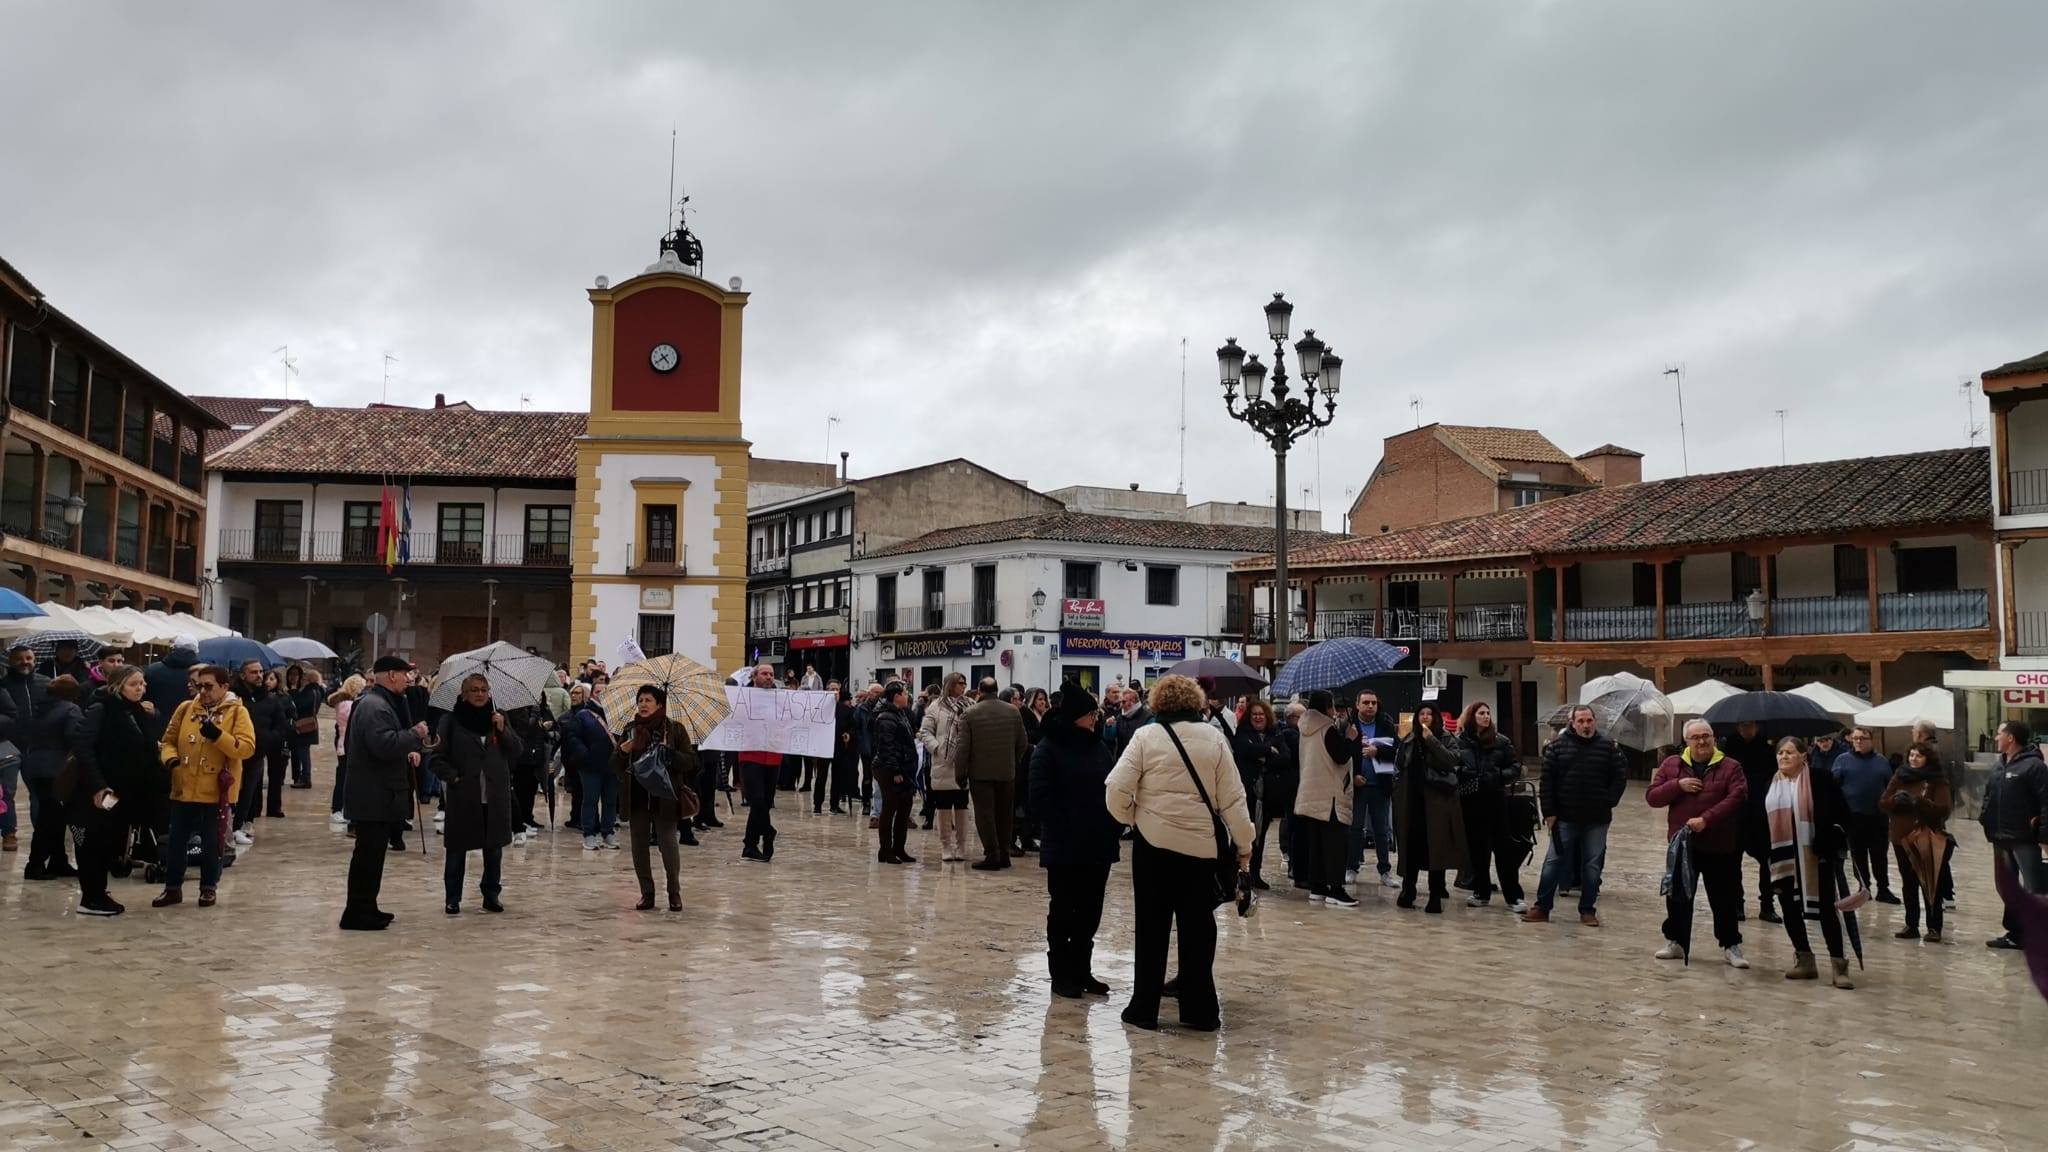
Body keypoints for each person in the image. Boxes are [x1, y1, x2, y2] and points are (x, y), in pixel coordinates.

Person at [1105, 675, 1254, 1032]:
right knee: (1198, 929)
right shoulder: (1214, 739)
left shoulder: (1145, 736)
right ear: (1196, 703)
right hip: (1200, 850)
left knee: (1151, 928)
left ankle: (1144, 1008)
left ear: (1157, 704)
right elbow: (1234, 799)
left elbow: (1115, 790)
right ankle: (1200, 1010)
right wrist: (1245, 845)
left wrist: (1136, 818)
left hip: (1153, 848)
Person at [1030, 683, 1120, 999]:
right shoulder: (1049, 747)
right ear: (1075, 717)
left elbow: (1113, 785)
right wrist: (1070, 817)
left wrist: (1113, 820)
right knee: (1064, 910)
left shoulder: (1098, 747)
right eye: (1090, 714)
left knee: (1090, 912)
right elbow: (1039, 796)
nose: (1095, 719)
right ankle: (1062, 974)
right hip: (1065, 844)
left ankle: (1082, 970)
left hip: (1098, 844)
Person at [1648, 719, 1752, 968]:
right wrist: (1677, 785)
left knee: (1723, 897)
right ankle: (1676, 941)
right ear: (1687, 741)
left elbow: (1737, 797)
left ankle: (1730, 945)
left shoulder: (1730, 766)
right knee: (1678, 895)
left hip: (1720, 843)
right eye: (1696, 737)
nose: (1702, 741)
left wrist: (1707, 819)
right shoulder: (1672, 764)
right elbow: (1652, 797)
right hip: (1683, 845)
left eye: (1706, 736)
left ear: (1714, 738)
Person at [153, 664, 256, 910]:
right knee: (177, 841)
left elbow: (246, 748)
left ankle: (208, 887)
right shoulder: (186, 709)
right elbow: (167, 741)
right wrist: (171, 760)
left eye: (209, 686)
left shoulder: (237, 712)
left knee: (212, 842)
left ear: (224, 687)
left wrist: (218, 736)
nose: (203, 691)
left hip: (216, 791)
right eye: (199, 686)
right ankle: (172, 888)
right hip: (184, 785)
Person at [339, 656, 428, 930]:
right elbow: (384, 745)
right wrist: (415, 734)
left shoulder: (378, 703)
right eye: (405, 675)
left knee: (372, 856)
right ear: (391, 675)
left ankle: (366, 907)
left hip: (377, 793)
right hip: (373, 795)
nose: (408, 680)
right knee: (368, 856)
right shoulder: (375, 706)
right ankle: (357, 913)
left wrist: (408, 749)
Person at [1764, 736, 1856, 988]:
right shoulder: (1770, 783)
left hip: (1816, 856)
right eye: (1780, 752)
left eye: (1790, 752)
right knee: (1789, 907)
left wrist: (1830, 839)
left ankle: (1839, 966)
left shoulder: (1820, 779)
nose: (1783, 756)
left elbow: (1843, 814)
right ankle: (1804, 960)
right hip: (1782, 857)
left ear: (1804, 755)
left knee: (1827, 908)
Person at [1525, 705, 1629, 926]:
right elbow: (1547, 783)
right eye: (1581, 721)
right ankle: (1542, 907)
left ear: (1595, 722)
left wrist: (1609, 800)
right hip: (1564, 817)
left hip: (1597, 818)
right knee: (1553, 862)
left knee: (1592, 865)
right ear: (1572, 723)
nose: (1586, 725)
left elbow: (1620, 777)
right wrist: (1549, 812)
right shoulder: (1556, 748)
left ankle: (1587, 909)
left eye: (1589, 720)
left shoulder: (1608, 748)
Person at [66, 666, 157, 915]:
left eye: (142, 684)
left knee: (108, 842)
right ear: (118, 686)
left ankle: (98, 892)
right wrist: (97, 786)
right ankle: (91, 898)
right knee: (93, 842)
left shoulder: (135, 711)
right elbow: (83, 748)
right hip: (96, 790)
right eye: (134, 684)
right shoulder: (101, 709)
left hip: (121, 790)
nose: (141, 688)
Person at [436, 673, 522, 915]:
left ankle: (491, 895)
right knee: (457, 849)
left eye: (484, 689)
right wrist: (453, 777)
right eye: (474, 689)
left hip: (494, 796)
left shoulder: (498, 717)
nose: (480, 694)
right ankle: (453, 897)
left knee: (493, 850)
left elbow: (516, 751)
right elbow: (437, 757)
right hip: (464, 795)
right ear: (464, 694)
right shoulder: (451, 720)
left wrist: (503, 730)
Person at [613, 685, 697, 911]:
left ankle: (674, 892)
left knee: (668, 846)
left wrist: (670, 754)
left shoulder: (675, 730)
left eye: (648, 700)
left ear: (660, 704)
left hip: (665, 798)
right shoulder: (630, 730)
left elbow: (690, 761)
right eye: (640, 700)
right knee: (639, 848)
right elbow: (615, 765)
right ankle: (647, 893)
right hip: (637, 797)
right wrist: (623, 751)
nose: (642, 704)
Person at [1982, 720, 2048, 952]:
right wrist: (1985, 819)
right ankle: (2016, 934)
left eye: (1999, 734)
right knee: (2006, 887)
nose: (1996, 738)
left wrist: (2043, 835)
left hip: (2024, 838)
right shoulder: (1999, 765)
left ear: (2010, 738)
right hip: (2000, 837)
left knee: (2034, 888)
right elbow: (1989, 796)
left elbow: (2045, 803)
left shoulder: (2034, 766)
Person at [1393, 703, 1465, 913]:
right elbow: (1400, 766)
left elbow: (1451, 760)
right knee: (1411, 847)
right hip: (1412, 802)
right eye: (1421, 714)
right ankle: (1408, 891)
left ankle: (1435, 895)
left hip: (1437, 804)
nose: (1425, 717)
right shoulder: (1408, 740)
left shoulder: (1445, 738)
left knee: (1437, 849)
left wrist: (1431, 740)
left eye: (1429, 714)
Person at [1454, 701, 1525, 912]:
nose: (1486, 716)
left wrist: (1498, 777)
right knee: (1478, 850)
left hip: (1495, 798)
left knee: (1504, 849)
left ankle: (1513, 896)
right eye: (1481, 713)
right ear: (1471, 717)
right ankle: (1481, 891)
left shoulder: (1501, 741)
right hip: (1471, 800)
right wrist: (1463, 773)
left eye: (1487, 713)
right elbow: (1452, 764)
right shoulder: (1460, 742)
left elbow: (1515, 766)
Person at [1293, 690, 1361, 907]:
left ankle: (1318, 887)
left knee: (1317, 844)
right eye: (1332, 706)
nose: (1334, 710)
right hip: (1330, 795)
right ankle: (1336, 889)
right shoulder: (1326, 728)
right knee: (1335, 844)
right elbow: (1340, 756)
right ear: (1326, 706)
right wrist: (1350, 739)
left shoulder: (1306, 728)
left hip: (1311, 792)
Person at [1881, 741, 1953, 943]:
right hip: (1900, 837)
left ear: (1927, 759)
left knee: (1929, 883)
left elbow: (1944, 809)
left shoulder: (1937, 780)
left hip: (1925, 837)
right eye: (1911, 755)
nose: (1914, 759)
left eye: (1919, 756)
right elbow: (1883, 802)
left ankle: (1933, 927)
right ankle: (1911, 924)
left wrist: (1918, 802)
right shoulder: (1900, 775)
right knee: (1908, 882)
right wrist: (1897, 801)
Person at [957, 676, 1030, 871]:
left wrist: (960, 773)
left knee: (985, 815)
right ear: (997, 690)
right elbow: (1023, 743)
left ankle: (992, 855)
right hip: (1006, 773)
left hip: (980, 774)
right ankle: (1005, 854)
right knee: (1005, 815)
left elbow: (963, 748)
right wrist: (1013, 761)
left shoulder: (969, 714)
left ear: (979, 691)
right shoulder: (1013, 712)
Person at [22, 675, 85, 880]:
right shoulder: (70, 709)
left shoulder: (41, 708)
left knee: (54, 816)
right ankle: (35, 865)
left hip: (34, 767)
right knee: (49, 820)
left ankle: (59, 862)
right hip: (56, 770)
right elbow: (74, 738)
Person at [1831, 727, 1899, 904]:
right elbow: (1834, 787)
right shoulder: (1842, 760)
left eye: (1862, 738)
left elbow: (1890, 786)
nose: (1859, 741)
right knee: (1858, 854)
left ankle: (1883, 888)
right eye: (1855, 738)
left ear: (1871, 740)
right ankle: (1864, 888)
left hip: (1878, 817)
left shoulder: (1881, 761)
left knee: (1879, 855)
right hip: (1854, 817)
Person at [1231, 699, 1290, 891]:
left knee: (1260, 836)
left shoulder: (1276, 734)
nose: (1258, 717)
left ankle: (1254, 873)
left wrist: (1263, 757)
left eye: (1261, 714)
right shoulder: (1243, 733)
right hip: (1247, 793)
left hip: (1266, 796)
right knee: (1241, 835)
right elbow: (1243, 750)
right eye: (1254, 714)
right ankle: (1235, 872)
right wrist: (1266, 750)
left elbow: (1284, 758)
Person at [1724, 719, 1779, 923]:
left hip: (1762, 813)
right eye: (1743, 726)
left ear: (1756, 727)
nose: (1747, 729)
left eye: (1751, 725)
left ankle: (1767, 905)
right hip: (1736, 813)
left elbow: (1775, 778)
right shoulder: (1727, 750)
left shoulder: (1767, 751)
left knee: (1767, 861)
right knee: (1732, 861)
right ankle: (1737, 904)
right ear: (1738, 728)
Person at [0, 641, 52, 853]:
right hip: (9, 746)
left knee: (38, 794)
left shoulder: (46, 683)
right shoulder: (2, 685)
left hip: (38, 747)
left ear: (35, 660)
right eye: (20, 659)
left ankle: (41, 833)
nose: (25, 662)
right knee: (7, 793)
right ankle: (9, 832)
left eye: (29, 658)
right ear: (11, 662)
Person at [1348, 689, 1400, 889]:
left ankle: (1385, 870)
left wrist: (1377, 750)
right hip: (1358, 785)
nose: (1370, 706)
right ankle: (1351, 867)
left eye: (1374, 703)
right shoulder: (1350, 725)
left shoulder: (1385, 724)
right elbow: (1342, 752)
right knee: (1355, 829)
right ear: (1357, 704)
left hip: (1380, 785)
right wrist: (1352, 777)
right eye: (1366, 702)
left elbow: (1396, 748)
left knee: (1381, 830)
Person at [234, 660, 293, 836]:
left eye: (261, 672)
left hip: (257, 752)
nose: (259, 675)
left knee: (249, 790)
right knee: (233, 789)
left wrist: (268, 739)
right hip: (234, 751)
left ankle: (243, 823)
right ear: (243, 675)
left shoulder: (271, 699)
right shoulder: (233, 697)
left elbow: (281, 726)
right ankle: (232, 824)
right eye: (254, 672)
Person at [919, 673, 972, 863]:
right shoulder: (936, 707)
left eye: (965, 683)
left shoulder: (970, 705)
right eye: (960, 683)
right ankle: (946, 845)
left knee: (961, 805)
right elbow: (925, 731)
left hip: (963, 764)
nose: (963, 686)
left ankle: (961, 845)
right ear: (950, 685)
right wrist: (936, 747)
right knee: (943, 806)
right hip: (943, 763)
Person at [558, 682, 618, 850]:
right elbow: (573, 737)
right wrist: (585, 754)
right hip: (590, 766)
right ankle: (589, 834)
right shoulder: (583, 715)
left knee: (610, 801)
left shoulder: (615, 714)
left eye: (605, 691)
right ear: (592, 694)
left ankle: (608, 832)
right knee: (590, 800)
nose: (601, 694)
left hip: (611, 765)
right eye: (598, 691)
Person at [738, 664, 783, 860]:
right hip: (750, 754)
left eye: (771, 674)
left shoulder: (782, 698)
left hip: (773, 755)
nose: (769, 677)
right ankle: (768, 831)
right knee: (756, 800)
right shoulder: (742, 696)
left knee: (764, 803)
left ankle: (750, 845)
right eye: (764, 674)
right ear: (754, 676)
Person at [870, 681, 918, 863]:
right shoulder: (886, 717)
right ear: (896, 696)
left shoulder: (901, 714)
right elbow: (886, 747)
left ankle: (899, 848)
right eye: (905, 693)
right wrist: (895, 770)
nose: (907, 696)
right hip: (888, 769)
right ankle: (886, 850)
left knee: (905, 806)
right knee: (890, 807)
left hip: (903, 767)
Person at [326, 675, 365, 827]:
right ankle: (337, 809)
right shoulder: (348, 705)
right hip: (346, 745)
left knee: (344, 777)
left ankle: (341, 809)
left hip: (344, 744)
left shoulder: (344, 702)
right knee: (343, 778)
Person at [285, 663, 325, 789]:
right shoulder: (317, 690)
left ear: (310, 680)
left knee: (303, 753)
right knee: (304, 752)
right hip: (309, 725)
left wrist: (293, 691)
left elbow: (299, 704)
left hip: (305, 726)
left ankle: (305, 778)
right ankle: (304, 777)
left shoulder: (311, 691)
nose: (302, 680)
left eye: (304, 678)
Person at [1113, 685, 1152, 762]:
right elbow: (1109, 738)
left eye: (1123, 702)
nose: (1121, 706)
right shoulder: (1120, 717)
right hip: (1123, 759)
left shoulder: (1148, 718)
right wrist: (1108, 727)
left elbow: (1150, 743)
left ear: (1132, 702)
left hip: (1141, 761)